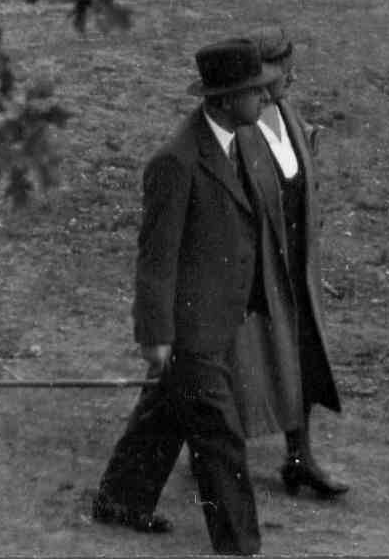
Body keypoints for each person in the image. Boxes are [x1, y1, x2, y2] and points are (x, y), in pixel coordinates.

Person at [94, 41, 277, 553]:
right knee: (219, 435)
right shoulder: (176, 163)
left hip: (216, 319)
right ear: (221, 101)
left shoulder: (233, 143)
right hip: (189, 329)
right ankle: (240, 545)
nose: (265, 98)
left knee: (167, 409)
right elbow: (156, 258)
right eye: (253, 92)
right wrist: (154, 335)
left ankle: (121, 499)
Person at [238, 28, 345, 502]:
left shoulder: (285, 112)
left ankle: (299, 458)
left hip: (295, 264)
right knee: (240, 363)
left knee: (300, 353)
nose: (288, 82)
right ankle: (212, 459)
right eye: (280, 77)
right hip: (254, 271)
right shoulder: (238, 126)